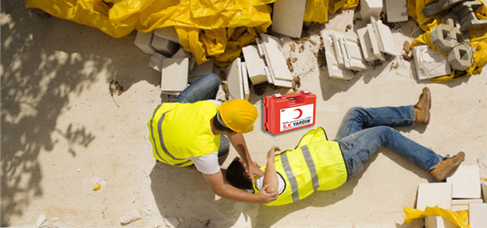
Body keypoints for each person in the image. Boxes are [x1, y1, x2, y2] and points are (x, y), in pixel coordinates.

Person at [225, 87, 465, 206]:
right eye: (246, 162)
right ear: (247, 173)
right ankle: (435, 164)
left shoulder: (260, 181)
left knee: (356, 114)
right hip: (342, 161)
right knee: (383, 133)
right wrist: (267, 160)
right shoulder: (265, 189)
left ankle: (415, 114)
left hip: (334, 150)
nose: (250, 161)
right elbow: (272, 188)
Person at [148, 73, 278, 204]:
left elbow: (234, 132)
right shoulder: (205, 151)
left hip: (163, 116)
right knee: (224, 145)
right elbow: (219, 189)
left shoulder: (211, 106)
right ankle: (188, 164)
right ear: (230, 130)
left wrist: (249, 163)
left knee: (212, 80)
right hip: (164, 151)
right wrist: (257, 198)